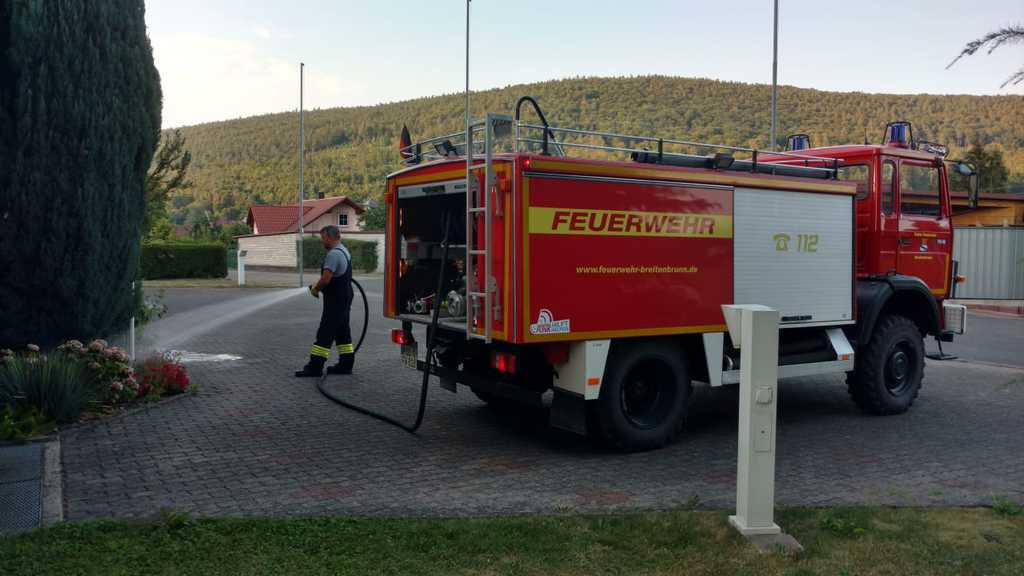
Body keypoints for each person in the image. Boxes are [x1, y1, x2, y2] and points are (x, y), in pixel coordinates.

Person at [295, 225, 354, 377]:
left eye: (323, 238)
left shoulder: (333, 254)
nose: (322, 241)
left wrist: (316, 289)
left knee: (325, 333)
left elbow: (326, 279)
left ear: (329, 237)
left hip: (335, 300)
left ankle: (314, 368)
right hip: (345, 297)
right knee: (342, 332)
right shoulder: (344, 250)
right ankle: (346, 365)